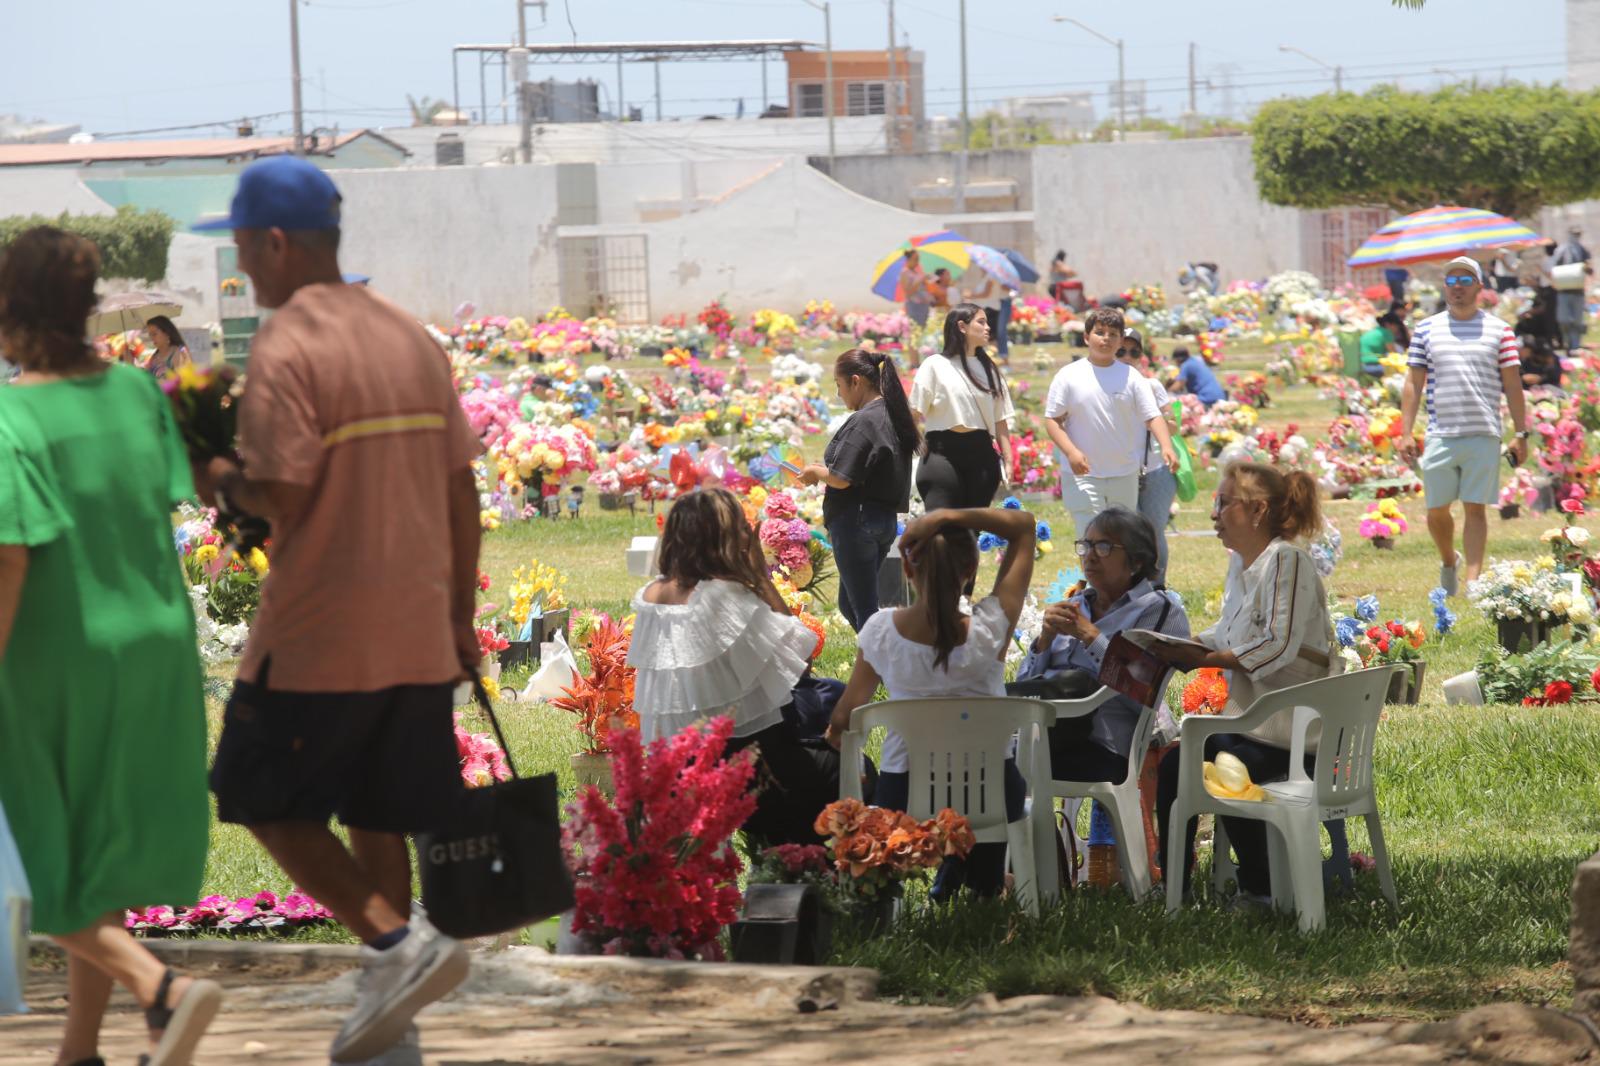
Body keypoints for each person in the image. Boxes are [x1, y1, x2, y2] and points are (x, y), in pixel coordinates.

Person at [192, 157, 481, 1063]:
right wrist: (462, 616)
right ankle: (392, 1020)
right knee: (379, 811)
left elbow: (280, 491)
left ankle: (401, 945)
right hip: (418, 625)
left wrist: (213, 474)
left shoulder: (286, 342)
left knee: (255, 794)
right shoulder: (406, 335)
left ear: (275, 242)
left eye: (240, 246)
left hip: (319, 632)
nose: (242, 262)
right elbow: (462, 488)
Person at [0, 228, 223, 1065]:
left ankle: (162, 989)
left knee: (37, 864)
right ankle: (80, 1052)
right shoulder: (136, 390)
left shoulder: (10, 411)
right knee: (96, 856)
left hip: (56, 653)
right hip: (158, 644)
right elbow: (173, 493)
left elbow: (10, 555)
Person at [1149, 463, 1336, 905]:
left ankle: (1262, 888)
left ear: (1257, 510)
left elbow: (1277, 646)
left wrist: (1202, 659)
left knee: (1225, 758)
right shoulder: (1249, 566)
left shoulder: (1286, 558)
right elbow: (1232, 632)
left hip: (1294, 736)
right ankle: (1173, 885)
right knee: (1180, 764)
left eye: (1222, 503)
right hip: (1262, 727)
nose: (1213, 514)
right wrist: (1181, 645)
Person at [827, 505, 1037, 899]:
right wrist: (946, 518)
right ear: (970, 572)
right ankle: (982, 883)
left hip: (905, 794)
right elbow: (1024, 527)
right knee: (983, 801)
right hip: (991, 791)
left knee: (879, 786)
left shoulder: (880, 633)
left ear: (909, 570)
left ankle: (920, 885)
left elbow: (845, 714)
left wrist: (837, 732)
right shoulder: (992, 631)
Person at [627, 487, 839, 845]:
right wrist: (760, 578)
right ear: (719, 537)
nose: (749, 533)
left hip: (680, 768)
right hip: (746, 765)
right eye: (742, 526)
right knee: (848, 770)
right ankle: (812, 880)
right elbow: (801, 661)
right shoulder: (724, 595)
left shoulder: (651, 595)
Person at [1015, 507, 1190, 786]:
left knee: (997, 769)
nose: (1090, 555)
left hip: (1104, 746)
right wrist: (1044, 641)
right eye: (1086, 545)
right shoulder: (1077, 603)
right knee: (976, 756)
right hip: (1042, 734)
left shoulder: (1158, 609)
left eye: (1104, 546)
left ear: (1136, 561)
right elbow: (1024, 687)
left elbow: (1143, 691)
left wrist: (1091, 636)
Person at [1398, 256, 1528, 596]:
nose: (1457, 288)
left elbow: (1513, 385)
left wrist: (1521, 433)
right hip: (1441, 431)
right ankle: (1448, 560)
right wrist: (1405, 431)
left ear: (1479, 287)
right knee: (1436, 510)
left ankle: (1472, 582)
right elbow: (1413, 383)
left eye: (1465, 281)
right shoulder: (1426, 329)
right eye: (1451, 282)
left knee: (1475, 508)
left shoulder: (1499, 330)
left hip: (1484, 431)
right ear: (1445, 288)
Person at [800, 348, 919, 632]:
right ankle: (884, 665)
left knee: (864, 610)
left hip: (857, 521)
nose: (839, 394)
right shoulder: (890, 413)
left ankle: (894, 666)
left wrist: (817, 472)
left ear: (856, 381)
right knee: (849, 604)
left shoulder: (865, 420)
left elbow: (842, 478)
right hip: (882, 521)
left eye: (839, 386)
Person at [1043, 306, 1178, 542]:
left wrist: (1167, 446)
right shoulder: (1068, 375)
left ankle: (1119, 580)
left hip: (1124, 472)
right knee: (1089, 536)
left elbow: (1152, 416)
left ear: (1120, 341)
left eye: (1113, 334)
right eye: (1100, 332)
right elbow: (1052, 419)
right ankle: (1093, 580)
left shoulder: (1132, 377)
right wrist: (1071, 452)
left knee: (1121, 538)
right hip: (1083, 473)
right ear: (1086, 337)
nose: (1106, 338)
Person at [909, 303, 1014, 510]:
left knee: (973, 532)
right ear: (962, 327)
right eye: (981, 322)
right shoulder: (934, 364)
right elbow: (913, 413)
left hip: (982, 454)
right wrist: (917, 444)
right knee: (940, 527)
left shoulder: (990, 369)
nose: (988, 327)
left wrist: (1008, 461)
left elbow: (1001, 419)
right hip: (941, 454)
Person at [1118, 329, 1180, 581]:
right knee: (1124, 532)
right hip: (1120, 470)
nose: (1128, 357)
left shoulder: (1152, 386)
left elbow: (1174, 425)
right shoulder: (1102, 388)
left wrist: (1153, 419)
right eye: (1121, 350)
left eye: (1134, 352)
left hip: (1156, 470)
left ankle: (1157, 588)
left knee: (1155, 532)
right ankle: (1129, 586)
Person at [1553, 226, 1591, 353]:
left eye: (1578, 234)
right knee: (1564, 320)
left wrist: (1586, 268)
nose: (1576, 237)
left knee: (1577, 321)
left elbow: (1589, 268)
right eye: (1574, 234)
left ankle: (1575, 345)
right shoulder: (1561, 250)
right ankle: (1567, 343)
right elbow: (1555, 267)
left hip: (1578, 291)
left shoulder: (1583, 250)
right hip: (1563, 291)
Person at [966, 274, 1009, 363]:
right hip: (989, 308)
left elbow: (986, 293)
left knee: (990, 336)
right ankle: (992, 358)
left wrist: (971, 295)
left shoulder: (992, 277)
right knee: (989, 335)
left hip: (991, 308)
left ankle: (992, 359)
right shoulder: (989, 277)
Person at [1359, 312, 1406, 378]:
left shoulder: (1373, 331)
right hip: (1374, 366)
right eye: (1396, 326)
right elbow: (1394, 355)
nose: (1397, 329)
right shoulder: (1387, 333)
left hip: (1361, 364)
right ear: (1388, 324)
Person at [900, 249, 931, 329]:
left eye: (918, 259)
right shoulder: (905, 272)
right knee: (915, 329)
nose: (917, 262)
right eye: (915, 259)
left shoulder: (916, 272)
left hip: (923, 305)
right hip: (914, 306)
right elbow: (908, 292)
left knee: (923, 329)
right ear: (908, 259)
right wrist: (919, 280)